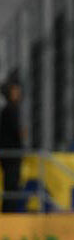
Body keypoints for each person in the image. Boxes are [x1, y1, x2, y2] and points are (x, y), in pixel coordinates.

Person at [0, 81, 23, 213]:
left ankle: (9, 211)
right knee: (11, 185)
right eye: (14, 90)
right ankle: (9, 212)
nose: (17, 93)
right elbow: (16, 131)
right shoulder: (10, 109)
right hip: (11, 155)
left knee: (11, 186)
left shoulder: (9, 109)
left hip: (10, 154)